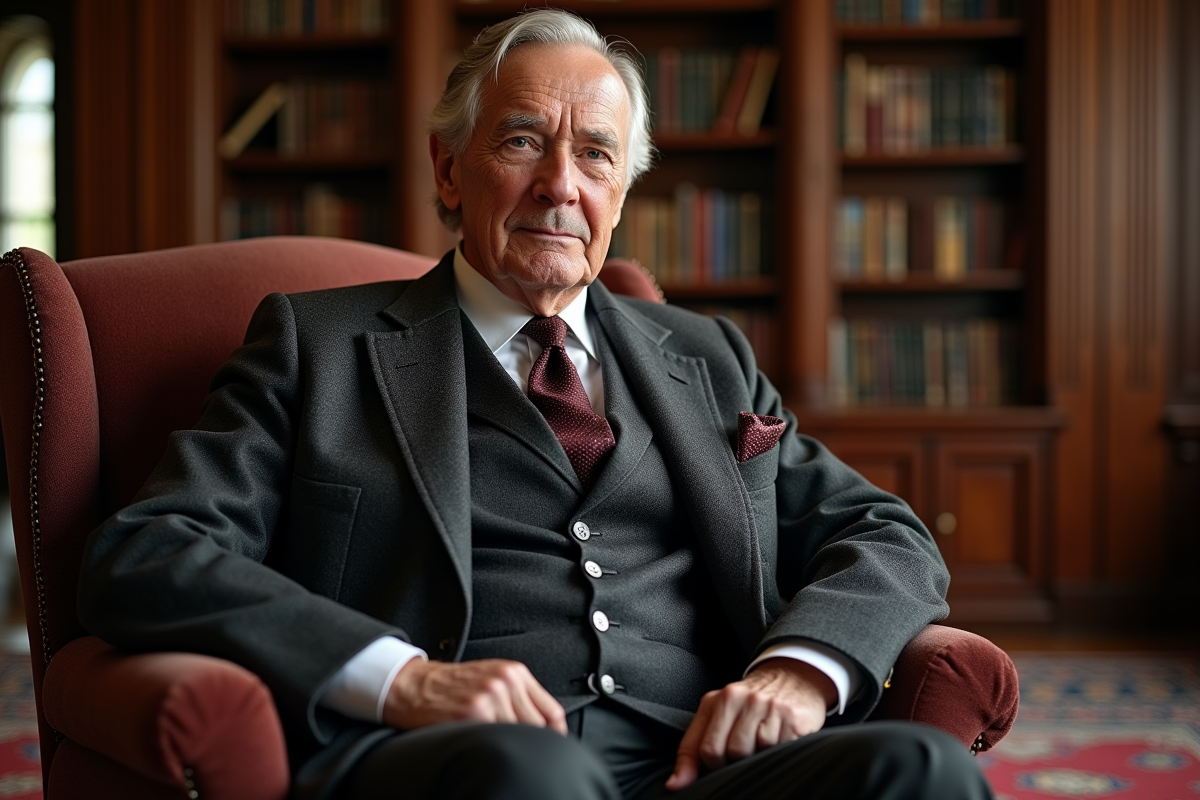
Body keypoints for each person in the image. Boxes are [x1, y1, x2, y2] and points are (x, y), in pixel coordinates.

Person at [79, 9, 993, 800]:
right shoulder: (313, 346)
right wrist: (403, 682)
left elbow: (885, 533)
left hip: (700, 766)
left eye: (595, 156)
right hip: (457, 760)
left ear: (621, 194)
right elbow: (150, 553)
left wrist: (799, 671)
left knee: (926, 770)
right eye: (522, 140)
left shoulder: (707, 356)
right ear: (449, 171)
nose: (561, 184)